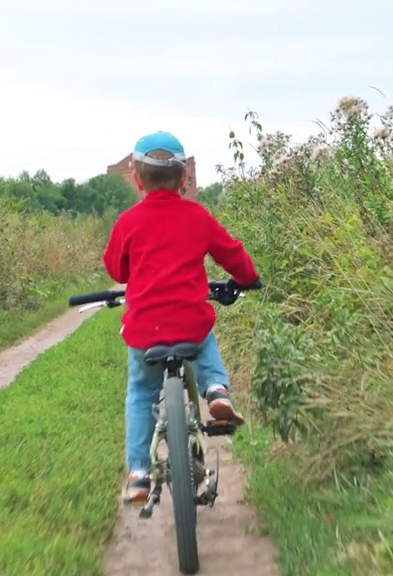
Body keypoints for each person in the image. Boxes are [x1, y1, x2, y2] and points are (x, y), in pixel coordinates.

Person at [102, 130, 262, 505]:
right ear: (184, 178)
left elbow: (116, 269)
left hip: (144, 332)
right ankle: (217, 391)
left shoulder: (128, 221)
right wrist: (248, 279)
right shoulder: (197, 216)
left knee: (141, 393)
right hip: (190, 323)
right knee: (203, 336)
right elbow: (232, 254)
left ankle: (139, 473)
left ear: (138, 180)